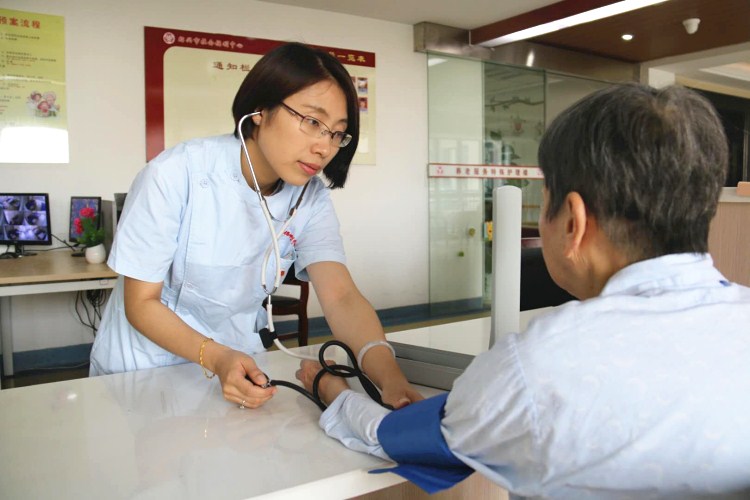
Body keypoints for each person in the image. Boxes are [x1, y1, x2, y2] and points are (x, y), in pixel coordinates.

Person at [295, 83, 750, 498]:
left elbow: (402, 436)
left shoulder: (541, 364)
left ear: (572, 222)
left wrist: (330, 389)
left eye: (544, 197)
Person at [90, 42, 421, 411]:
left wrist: (390, 377)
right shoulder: (175, 174)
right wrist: (216, 358)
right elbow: (141, 303)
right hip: (142, 371)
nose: (324, 147)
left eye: (336, 133)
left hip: (237, 365)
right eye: (313, 122)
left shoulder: (309, 198)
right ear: (261, 109)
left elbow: (341, 296)